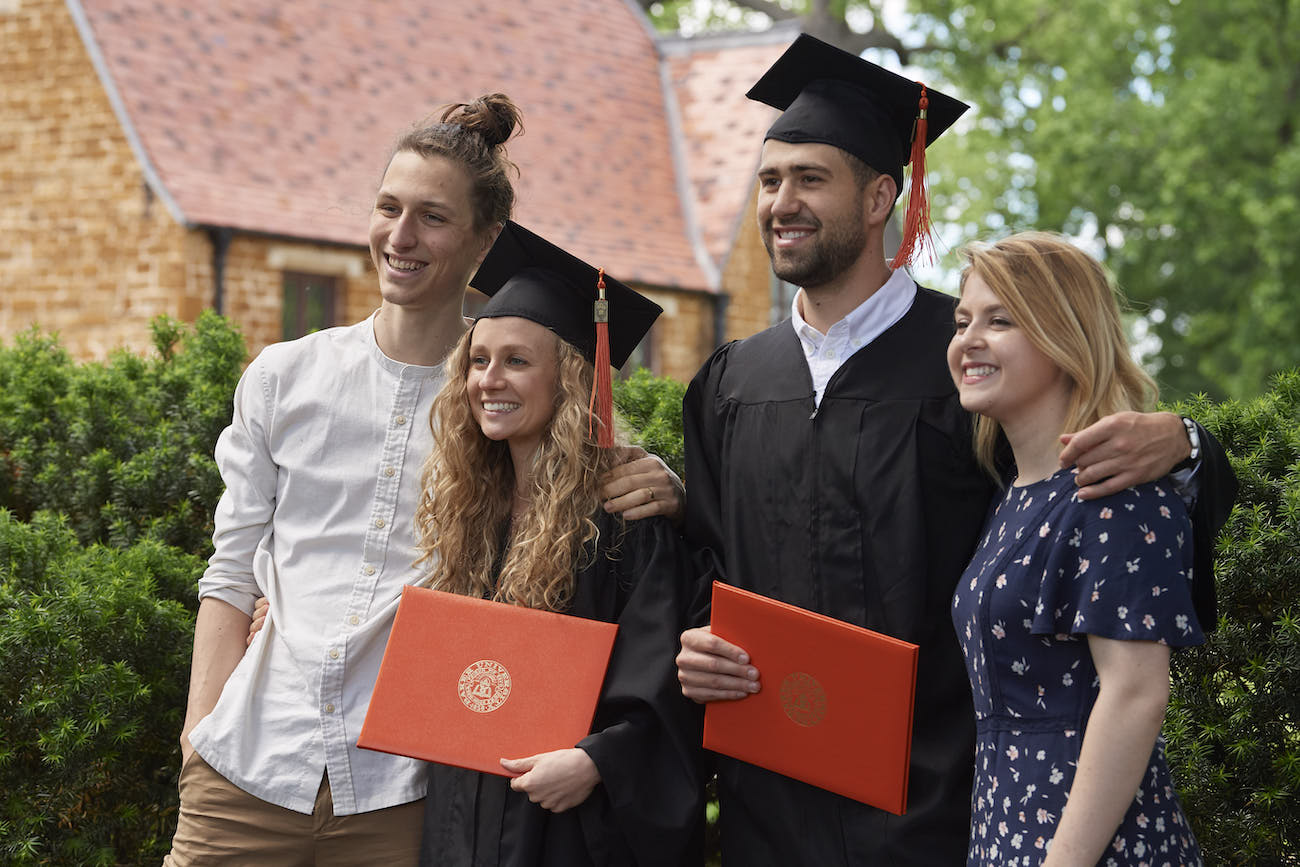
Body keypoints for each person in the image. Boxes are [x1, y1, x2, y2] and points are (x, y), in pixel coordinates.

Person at [673, 35, 1235, 866]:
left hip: (942, 801)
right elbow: (707, 558)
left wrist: (1187, 441)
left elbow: (1085, 509)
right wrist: (698, 639)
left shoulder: (972, 363)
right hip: (772, 801)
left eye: (809, 180)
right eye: (769, 181)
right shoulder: (729, 382)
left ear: (879, 199)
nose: (780, 202)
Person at [165, 96, 682, 865]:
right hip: (249, 759)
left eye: (433, 217)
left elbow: (567, 507)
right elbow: (232, 566)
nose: (400, 237)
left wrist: (665, 481)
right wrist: (199, 727)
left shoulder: (504, 407)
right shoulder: (284, 377)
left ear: (485, 240)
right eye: (387, 207)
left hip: (404, 788)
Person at [413, 221, 703, 866]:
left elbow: (666, 684)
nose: (490, 379)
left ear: (570, 379)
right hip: (464, 809)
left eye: (517, 360)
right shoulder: (470, 513)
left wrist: (597, 761)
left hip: (567, 827)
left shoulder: (626, 517)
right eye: (478, 360)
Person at [948, 232, 1204, 865]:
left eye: (1000, 319)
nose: (968, 340)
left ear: (1063, 337)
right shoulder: (1015, 499)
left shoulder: (1112, 494)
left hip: (1087, 842)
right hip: (1007, 825)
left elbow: (1135, 693)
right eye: (962, 321)